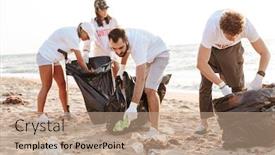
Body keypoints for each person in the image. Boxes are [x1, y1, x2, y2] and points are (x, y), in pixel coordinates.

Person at [196, 9, 271, 134]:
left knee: (237, 85)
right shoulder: (212, 28)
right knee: (205, 85)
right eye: (229, 36)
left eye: (236, 36)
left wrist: (259, 76)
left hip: (232, 51)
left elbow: (265, 53)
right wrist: (221, 85)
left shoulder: (247, 26)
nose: (233, 38)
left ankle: (240, 121)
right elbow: (201, 64)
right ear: (221, 29)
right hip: (211, 50)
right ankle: (204, 123)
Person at [108, 28, 170, 131]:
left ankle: (154, 129)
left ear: (126, 40)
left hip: (161, 54)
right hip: (149, 56)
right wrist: (122, 69)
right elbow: (125, 52)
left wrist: (133, 106)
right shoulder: (124, 39)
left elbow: (140, 79)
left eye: (120, 47)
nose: (118, 51)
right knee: (145, 86)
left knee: (150, 90)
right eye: (114, 49)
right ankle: (158, 79)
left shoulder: (138, 45)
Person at [36, 22, 95, 113]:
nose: (87, 39)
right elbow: (80, 60)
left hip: (54, 59)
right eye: (87, 36)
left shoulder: (75, 35)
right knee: (46, 86)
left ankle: (66, 113)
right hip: (45, 56)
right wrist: (88, 72)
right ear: (83, 31)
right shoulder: (73, 36)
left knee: (62, 85)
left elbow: (63, 48)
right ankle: (40, 115)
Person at [83, 0, 120, 75]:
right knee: (103, 79)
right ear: (97, 10)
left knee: (117, 75)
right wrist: (85, 55)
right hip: (99, 55)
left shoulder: (113, 21)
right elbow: (88, 40)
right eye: (102, 9)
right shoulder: (92, 23)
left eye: (106, 8)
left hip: (112, 53)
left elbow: (119, 38)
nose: (105, 11)